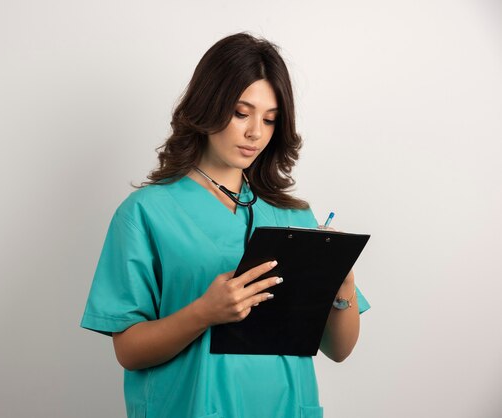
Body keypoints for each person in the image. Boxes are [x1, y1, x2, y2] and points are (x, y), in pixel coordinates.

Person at [80, 32, 370, 418]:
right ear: (208, 106)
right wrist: (204, 312)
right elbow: (128, 350)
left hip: (284, 408)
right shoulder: (145, 213)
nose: (255, 133)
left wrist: (342, 289)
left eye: (270, 120)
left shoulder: (294, 217)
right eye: (240, 113)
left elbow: (338, 349)